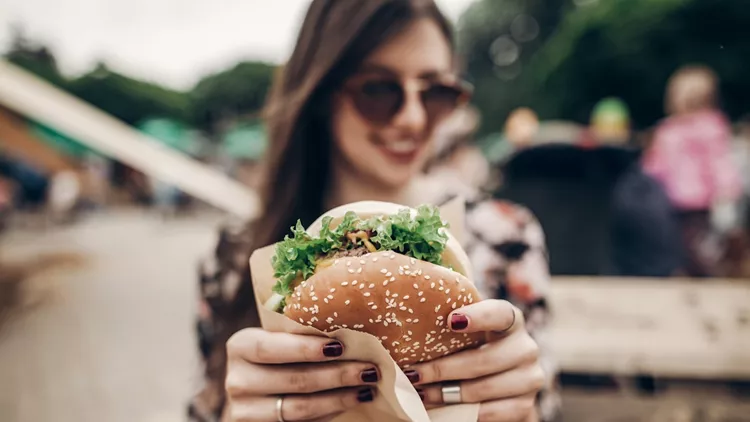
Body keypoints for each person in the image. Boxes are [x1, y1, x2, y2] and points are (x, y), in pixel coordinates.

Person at [189, 1, 557, 421]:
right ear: (321, 93)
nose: (413, 118)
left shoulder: (506, 236)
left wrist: (524, 409)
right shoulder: (234, 258)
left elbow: (547, 405)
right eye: (379, 90)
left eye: (436, 92)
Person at [643, 65, 742, 277]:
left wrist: (727, 187)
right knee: (685, 240)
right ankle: (693, 271)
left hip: (694, 199)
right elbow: (656, 164)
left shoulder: (706, 128)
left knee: (696, 240)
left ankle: (706, 272)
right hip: (676, 198)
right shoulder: (672, 130)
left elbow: (718, 161)